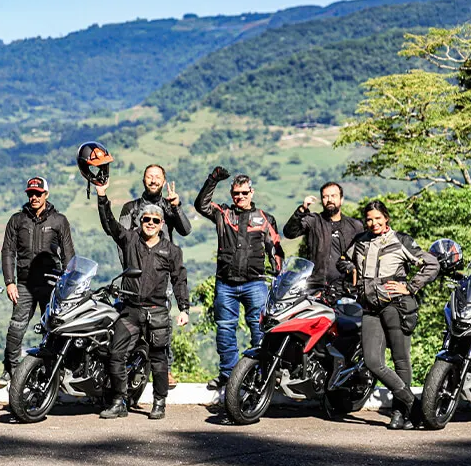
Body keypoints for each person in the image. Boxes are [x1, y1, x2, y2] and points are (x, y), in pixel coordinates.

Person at [338, 201, 438, 430]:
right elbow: (343, 260)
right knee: (373, 361)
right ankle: (413, 404)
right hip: (369, 308)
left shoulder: (401, 240)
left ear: (386, 218)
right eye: (369, 219)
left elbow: (431, 265)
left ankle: (398, 414)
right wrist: (350, 269)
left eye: (377, 218)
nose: (373, 223)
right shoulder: (360, 240)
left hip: (397, 306)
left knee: (401, 361)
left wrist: (411, 287)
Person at [96, 181, 191, 420]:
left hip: (157, 311)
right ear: (140, 222)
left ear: (161, 225)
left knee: (158, 360)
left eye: (155, 221)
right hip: (130, 311)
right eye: (146, 219)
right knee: (116, 354)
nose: (150, 223)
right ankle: (119, 401)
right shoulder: (129, 241)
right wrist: (102, 196)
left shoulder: (171, 251)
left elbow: (180, 280)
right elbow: (110, 225)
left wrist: (184, 308)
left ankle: (159, 403)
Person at [194, 167, 284, 391]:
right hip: (225, 283)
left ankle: (263, 374)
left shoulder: (264, 218)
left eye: (244, 193)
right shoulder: (223, 214)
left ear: (252, 192)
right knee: (225, 329)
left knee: (260, 330)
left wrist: (279, 278)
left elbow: (276, 250)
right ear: (232, 194)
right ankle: (227, 374)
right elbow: (201, 205)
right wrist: (212, 180)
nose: (240, 197)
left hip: (255, 283)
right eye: (236, 193)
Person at [0, 176, 75, 388]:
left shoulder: (59, 220)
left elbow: (69, 254)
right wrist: (9, 282)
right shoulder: (17, 220)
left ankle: (56, 371)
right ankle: (10, 369)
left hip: (52, 284)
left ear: (46, 195)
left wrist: (68, 285)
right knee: (16, 327)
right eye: (30, 193)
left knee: (54, 328)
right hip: (24, 284)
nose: (34, 197)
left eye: (38, 193)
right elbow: (7, 251)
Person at [282, 182, 362, 286]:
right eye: (325, 197)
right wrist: (301, 210)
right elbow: (289, 232)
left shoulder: (355, 226)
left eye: (333, 196)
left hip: (346, 286)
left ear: (341, 200)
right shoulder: (313, 221)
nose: (329, 200)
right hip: (316, 285)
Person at [119, 164, 191, 243]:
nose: (153, 181)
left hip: (165, 254)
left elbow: (186, 231)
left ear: (164, 182)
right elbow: (121, 239)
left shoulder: (169, 207)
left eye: (158, 177)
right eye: (149, 177)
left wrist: (176, 207)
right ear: (143, 181)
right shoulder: (131, 208)